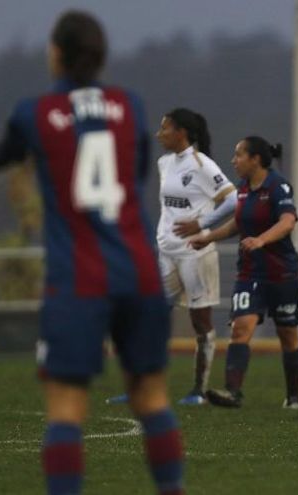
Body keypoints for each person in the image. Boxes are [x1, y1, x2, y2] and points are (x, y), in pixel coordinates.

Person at [0, 11, 185, 494]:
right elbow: (137, 170)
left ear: (56, 53)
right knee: (152, 397)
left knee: (66, 408)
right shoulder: (131, 105)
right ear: (101, 57)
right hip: (139, 271)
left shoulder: (33, 113)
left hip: (79, 275)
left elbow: (2, 155)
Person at [107, 108, 237, 407]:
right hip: (166, 254)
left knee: (199, 321)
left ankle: (198, 391)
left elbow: (233, 199)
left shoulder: (201, 164)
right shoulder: (165, 162)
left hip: (196, 254)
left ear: (182, 133)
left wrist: (203, 225)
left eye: (165, 128)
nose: (159, 133)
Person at [189, 136, 298, 409]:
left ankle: (293, 397)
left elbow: (288, 222)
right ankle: (233, 392)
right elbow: (238, 225)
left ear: (255, 159)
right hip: (250, 273)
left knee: (288, 335)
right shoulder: (243, 189)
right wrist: (208, 237)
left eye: (239, 155)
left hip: (282, 274)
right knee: (241, 329)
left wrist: (262, 240)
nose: (234, 161)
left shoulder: (278, 186)